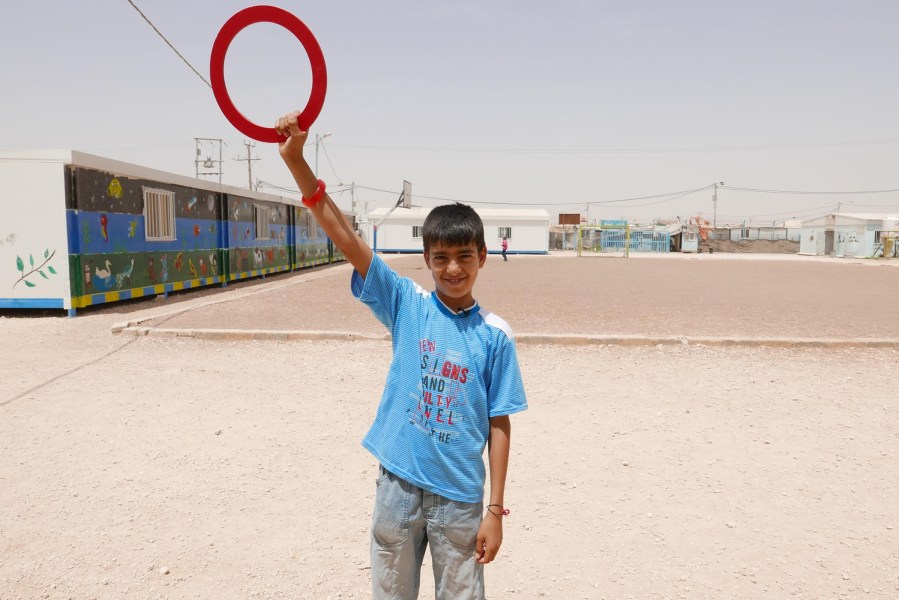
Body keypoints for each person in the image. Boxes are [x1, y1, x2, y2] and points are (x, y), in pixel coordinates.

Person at [276, 112, 528, 600]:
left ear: (483, 255)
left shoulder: (496, 335)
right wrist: (296, 161)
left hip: (459, 500)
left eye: (464, 256)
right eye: (441, 258)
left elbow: (500, 423)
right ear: (427, 258)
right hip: (398, 489)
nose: (453, 268)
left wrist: (494, 511)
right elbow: (346, 237)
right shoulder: (406, 304)